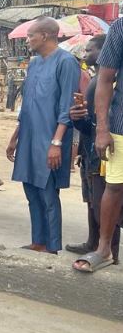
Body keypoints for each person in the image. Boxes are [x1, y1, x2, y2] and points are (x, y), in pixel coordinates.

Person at [7, 17, 77, 254]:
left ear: (45, 36)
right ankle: (37, 240)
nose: (27, 40)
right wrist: (15, 136)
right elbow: (27, 103)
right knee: (31, 190)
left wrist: (56, 143)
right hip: (28, 137)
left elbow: (66, 108)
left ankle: (52, 245)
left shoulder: (66, 62)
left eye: (30, 36)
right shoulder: (34, 63)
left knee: (47, 193)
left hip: (50, 139)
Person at [74, 18, 123, 272]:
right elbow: (105, 79)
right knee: (114, 187)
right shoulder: (120, 28)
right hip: (121, 126)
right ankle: (103, 249)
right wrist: (102, 128)